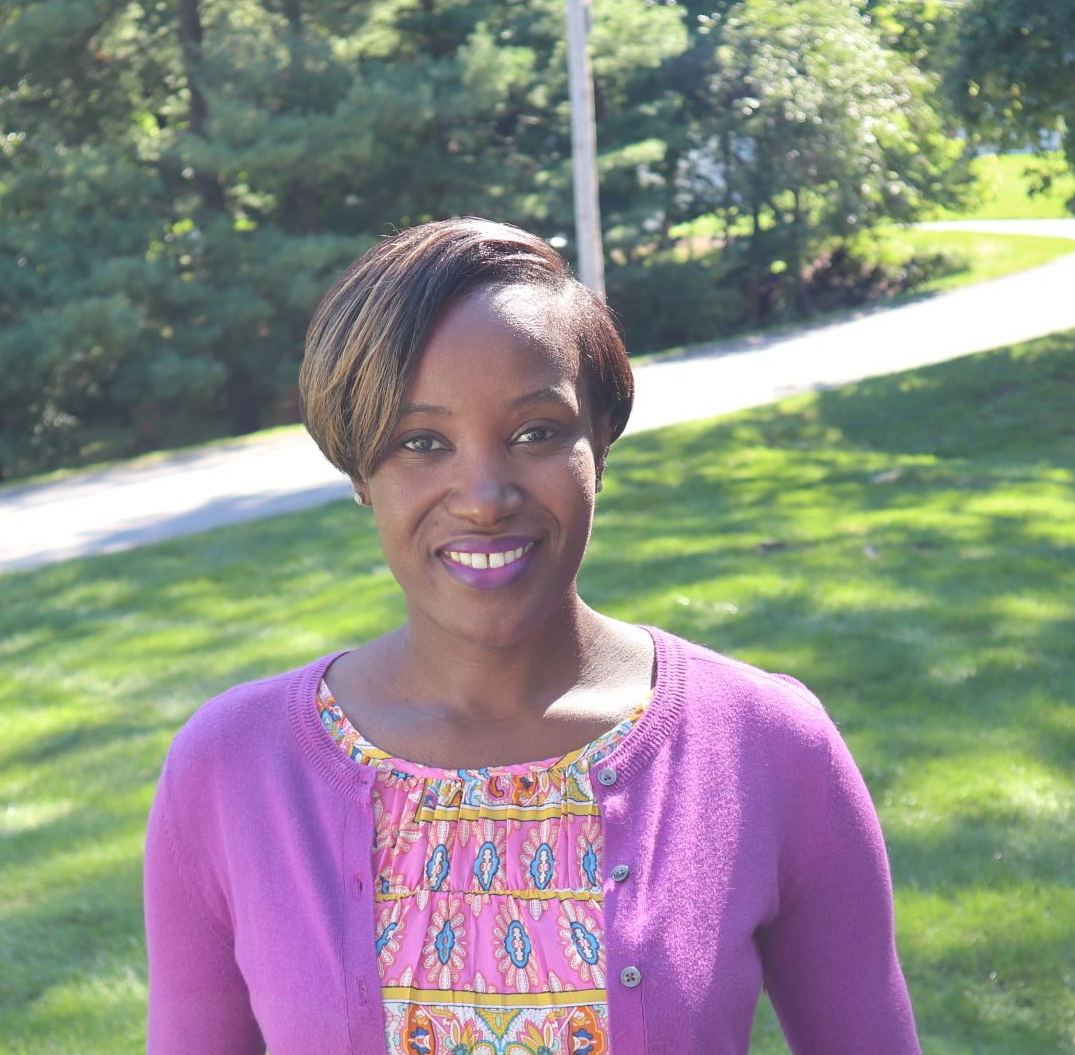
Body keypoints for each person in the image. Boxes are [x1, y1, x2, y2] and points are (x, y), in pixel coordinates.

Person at [143, 217, 918, 1053]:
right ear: (361, 472)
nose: (483, 495)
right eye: (420, 442)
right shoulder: (231, 768)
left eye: (535, 433)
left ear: (602, 441)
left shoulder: (766, 745)